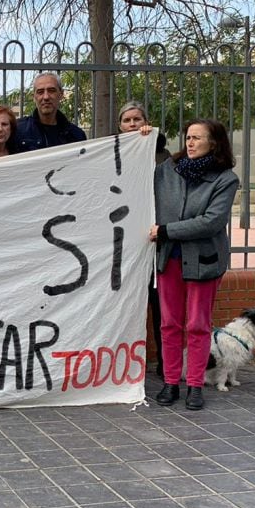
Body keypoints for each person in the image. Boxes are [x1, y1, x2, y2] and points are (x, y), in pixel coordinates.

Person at [150, 118, 239, 411]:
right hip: (169, 258)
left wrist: (166, 231)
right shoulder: (168, 170)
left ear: (213, 143)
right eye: (188, 137)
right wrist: (143, 137)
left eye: (197, 138)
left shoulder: (225, 179)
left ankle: (195, 385)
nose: (189, 143)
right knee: (169, 323)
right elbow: (138, 169)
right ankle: (171, 382)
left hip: (203, 261)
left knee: (198, 325)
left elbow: (211, 221)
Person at [117, 100, 170, 376]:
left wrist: (155, 142)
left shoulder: (162, 156)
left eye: (138, 119)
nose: (133, 124)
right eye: (127, 120)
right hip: (122, 242)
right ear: (120, 126)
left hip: (155, 241)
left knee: (160, 306)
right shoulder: (111, 154)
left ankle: (165, 362)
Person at [0, 72, 87, 159]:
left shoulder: (76, 135)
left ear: (61, 94)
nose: (46, 97)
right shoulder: (17, 129)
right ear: (34, 97)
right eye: (40, 92)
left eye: (51, 90)